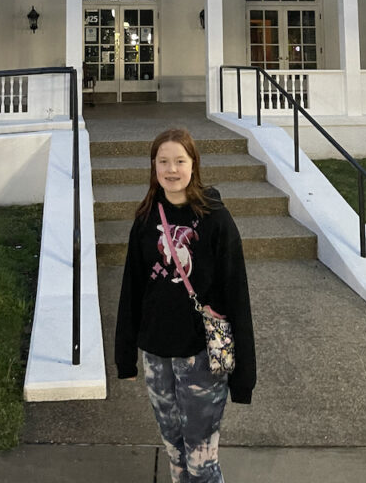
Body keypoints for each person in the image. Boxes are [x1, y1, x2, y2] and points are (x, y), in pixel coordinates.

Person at [115, 127, 256, 483]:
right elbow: (131, 289)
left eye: (180, 160)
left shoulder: (217, 221)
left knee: (201, 459)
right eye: (163, 161)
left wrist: (244, 377)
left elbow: (237, 294)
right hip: (156, 355)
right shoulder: (146, 219)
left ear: (194, 165)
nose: (172, 169)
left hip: (201, 358)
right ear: (153, 167)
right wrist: (124, 355)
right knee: (175, 452)